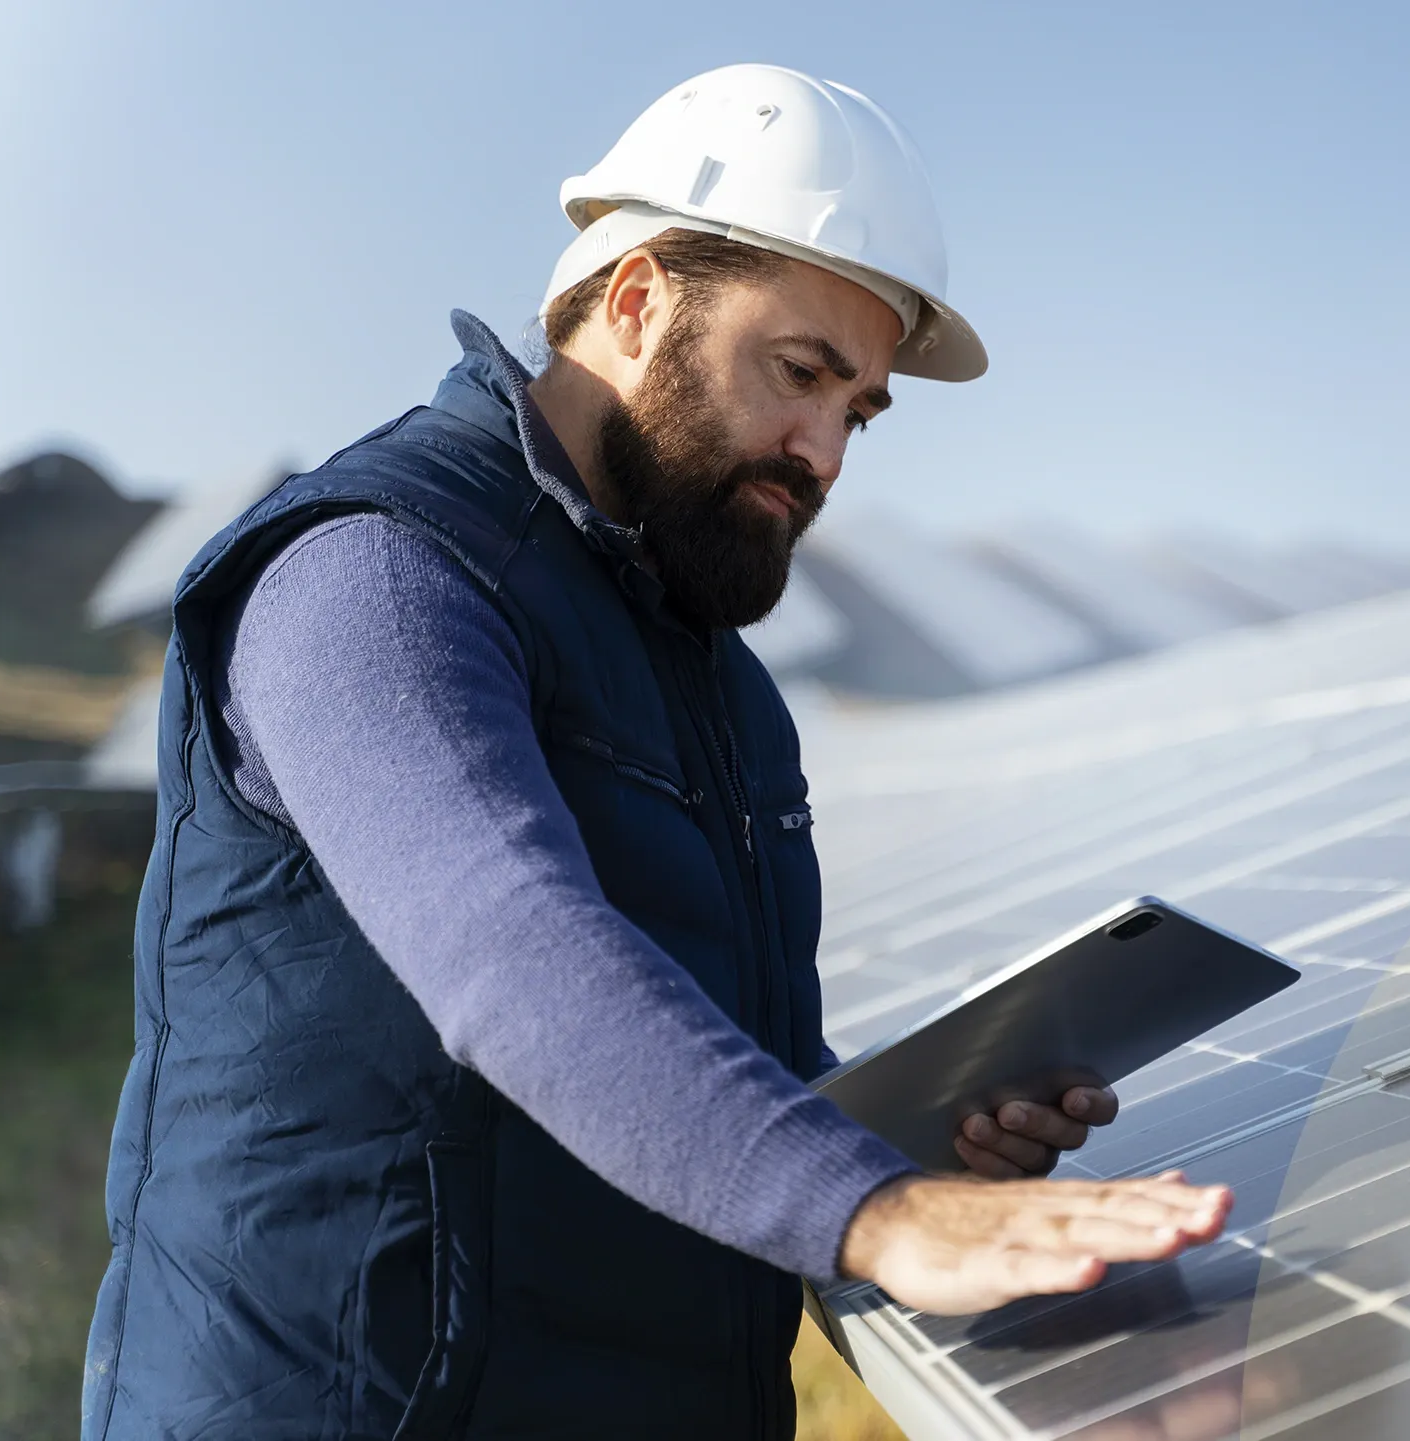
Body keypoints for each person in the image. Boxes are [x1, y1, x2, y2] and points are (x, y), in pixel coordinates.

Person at [82, 63, 1230, 1441]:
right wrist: (870, 1209)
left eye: (858, 410)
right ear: (635, 305)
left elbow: (724, 1059)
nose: (825, 455)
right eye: (801, 375)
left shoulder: (721, 686)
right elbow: (512, 958)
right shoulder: (376, 575)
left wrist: (919, 1134)